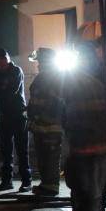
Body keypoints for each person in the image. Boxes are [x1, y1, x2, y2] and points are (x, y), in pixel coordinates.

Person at [62, 25, 106, 211]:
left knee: (84, 196)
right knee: (91, 197)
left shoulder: (75, 79)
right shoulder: (102, 76)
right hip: (97, 148)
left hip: (82, 147)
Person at [0, 48, 32, 192]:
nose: (2, 62)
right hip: (5, 115)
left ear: (8, 58)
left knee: (22, 149)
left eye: (3, 59)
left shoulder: (16, 71)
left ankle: (26, 182)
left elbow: (11, 89)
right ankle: (7, 181)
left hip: (18, 114)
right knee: (6, 150)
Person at [27, 48, 64, 197]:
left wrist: (37, 113)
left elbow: (55, 103)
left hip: (51, 126)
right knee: (43, 157)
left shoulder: (55, 78)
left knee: (51, 157)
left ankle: (52, 187)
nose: (38, 65)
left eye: (40, 62)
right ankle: (46, 185)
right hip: (41, 126)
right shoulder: (43, 77)